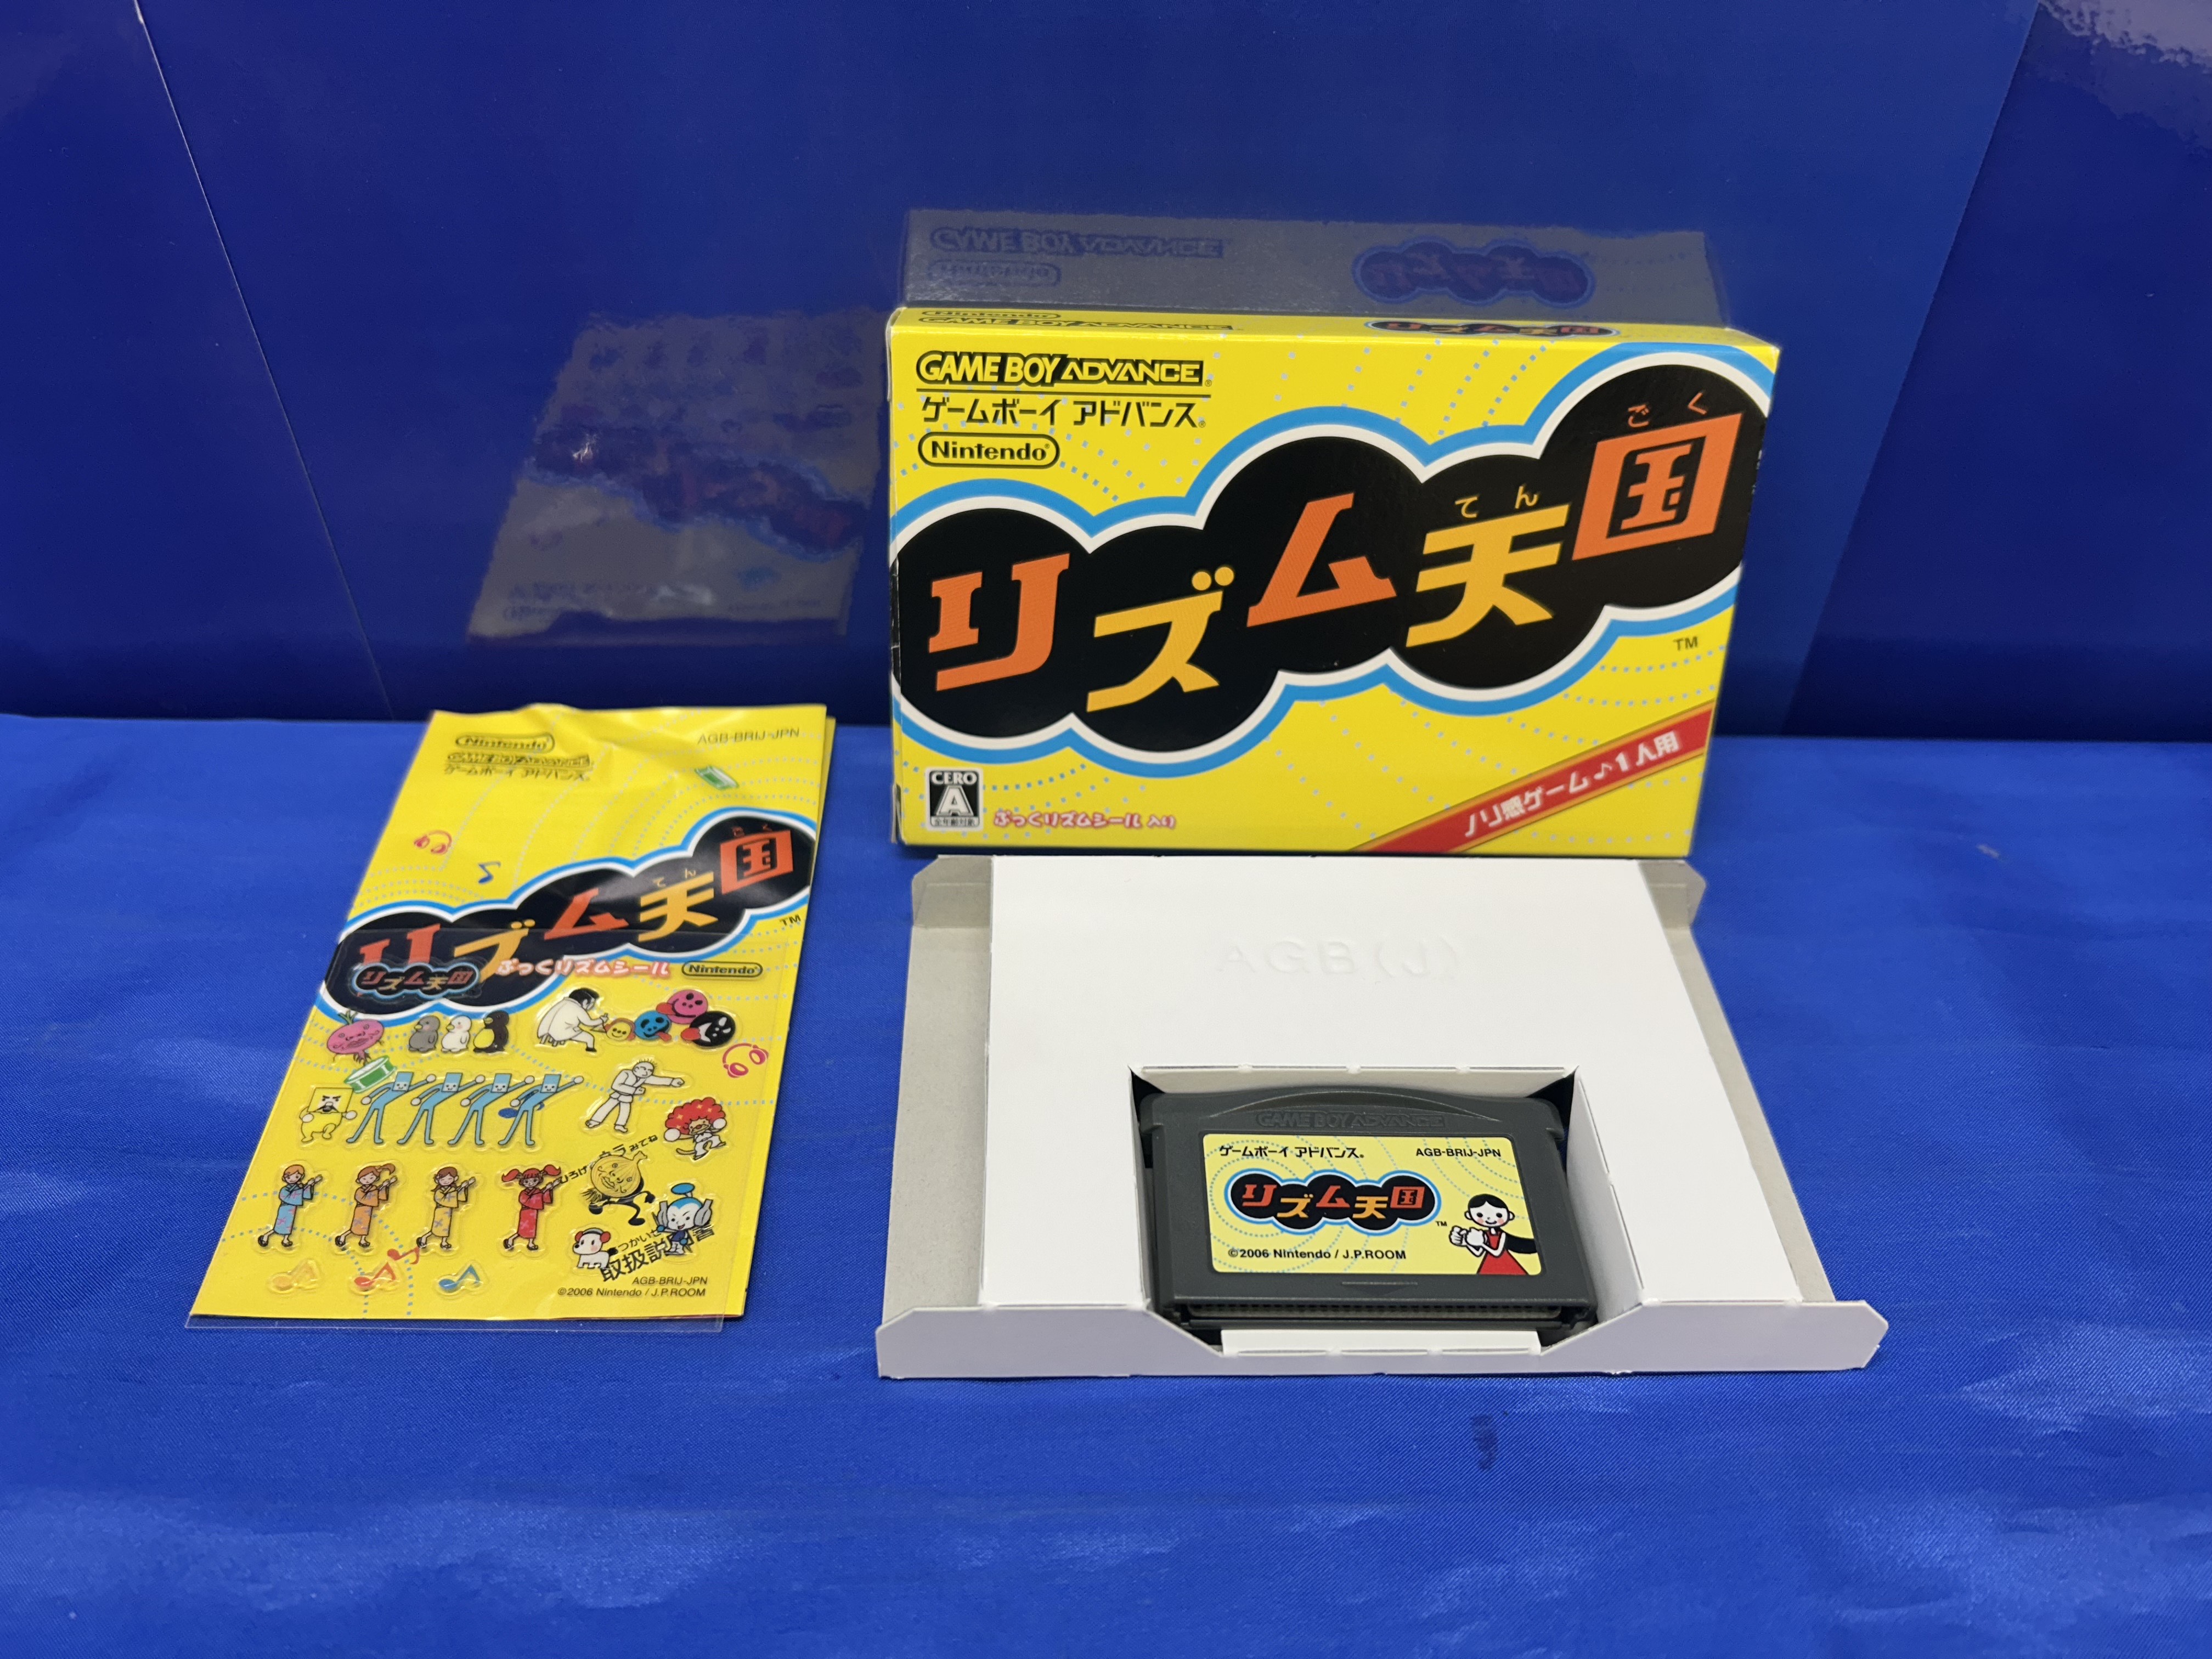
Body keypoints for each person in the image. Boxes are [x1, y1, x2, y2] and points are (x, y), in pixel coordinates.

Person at [586, 1059, 687, 1134]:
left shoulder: (644, 1078)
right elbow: (616, 1085)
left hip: (627, 1098)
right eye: (644, 1069)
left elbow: (657, 1080)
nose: (647, 1072)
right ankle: (594, 1121)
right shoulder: (626, 1073)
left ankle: (620, 1125)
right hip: (617, 1095)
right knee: (606, 1108)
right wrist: (634, 1091)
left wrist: (672, 1081)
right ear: (636, 1068)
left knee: (625, 1112)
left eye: (650, 1071)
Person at [1446, 1194, 1537, 1275]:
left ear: (1509, 1216)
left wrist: (1482, 1244)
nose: (1489, 1218)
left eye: (1499, 1215)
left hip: (1504, 1263)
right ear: (1469, 1216)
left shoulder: (1502, 1235)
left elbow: (1497, 1253)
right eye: (1480, 1215)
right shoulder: (1484, 1234)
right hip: (1489, 1264)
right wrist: (1467, 1243)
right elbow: (1478, 1253)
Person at [257, 1165, 322, 1249]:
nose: (292, 1179)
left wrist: (312, 1184)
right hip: (285, 1208)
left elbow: (303, 1194)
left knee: (289, 1225)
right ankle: (266, 1236)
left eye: (297, 1177)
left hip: (292, 1209)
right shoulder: (285, 1189)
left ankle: (285, 1240)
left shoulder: (298, 1187)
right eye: (289, 1177)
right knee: (279, 1226)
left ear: (301, 1177)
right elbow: (288, 1196)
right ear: (285, 1178)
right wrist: (308, 1185)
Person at [501, 1165, 561, 1251]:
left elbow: (542, 1197)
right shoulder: (524, 1193)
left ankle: (531, 1243)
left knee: (533, 1229)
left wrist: (552, 1187)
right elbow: (529, 1200)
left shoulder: (537, 1191)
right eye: (527, 1181)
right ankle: (510, 1240)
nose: (530, 1183)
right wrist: (545, 1189)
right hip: (526, 1212)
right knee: (522, 1231)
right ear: (522, 1182)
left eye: (534, 1180)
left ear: (539, 1180)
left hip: (534, 1212)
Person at [416, 1165, 477, 1251]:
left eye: (449, 1179)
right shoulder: (439, 1191)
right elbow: (441, 1199)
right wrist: (459, 1189)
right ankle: (424, 1238)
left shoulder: (452, 1189)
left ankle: (444, 1242)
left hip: (448, 1212)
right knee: (436, 1229)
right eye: (443, 1179)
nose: (446, 1181)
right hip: (440, 1210)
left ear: (455, 1179)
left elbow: (459, 1196)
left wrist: (464, 1187)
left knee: (446, 1228)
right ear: (438, 1180)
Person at [342, 1164, 399, 1250]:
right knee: (355, 1227)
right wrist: (380, 1188)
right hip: (361, 1209)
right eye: (364, 1179)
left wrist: (386, 1186)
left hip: (368, 1210)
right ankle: (343, 1236)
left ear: (376, 1179)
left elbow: (379, 1195)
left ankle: (363, 1240)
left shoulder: (374, 1188)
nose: (368, 1180)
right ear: (360, 1180)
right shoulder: (360, 1190)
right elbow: (362, 1198)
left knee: (366, 1226)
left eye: (371, 1178)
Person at [534, 987, 608, 1052]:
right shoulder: (578, 1009)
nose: (592, 1006)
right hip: (563, 1032)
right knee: (590, 1038)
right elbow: (589, 1023)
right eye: (592, 1003)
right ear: (585, 1002)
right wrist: (602, 1020)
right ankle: (590, 1050)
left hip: (546, 1030)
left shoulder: (563, 1003)